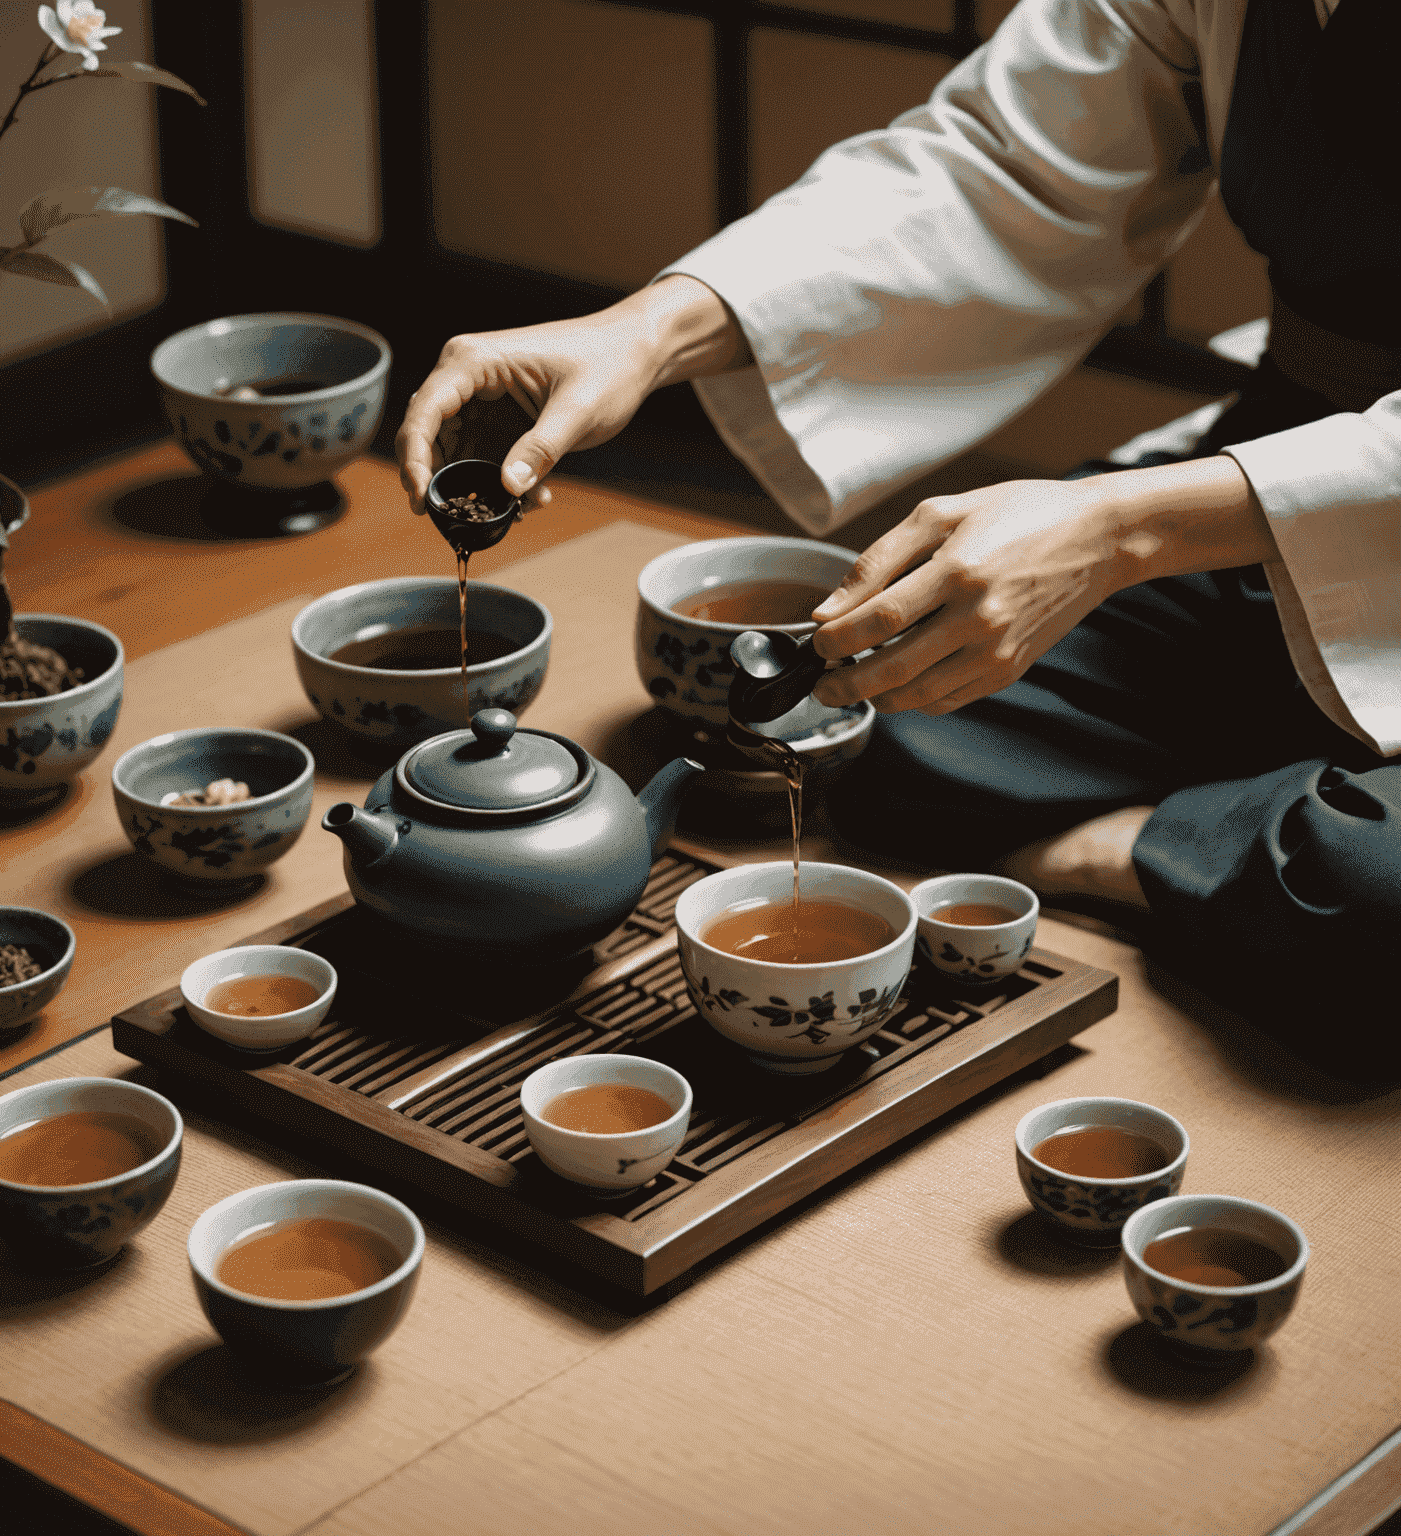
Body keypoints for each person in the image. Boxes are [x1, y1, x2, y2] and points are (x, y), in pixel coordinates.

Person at [398, 0, 1401, 1075]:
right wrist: (642, 333)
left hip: (1287, 500)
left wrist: (1124, 529)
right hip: (1265, 474)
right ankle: (1252, 812)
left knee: (1362, 892)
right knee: (885, 695)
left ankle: (1124, 847)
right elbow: (1001, 165)